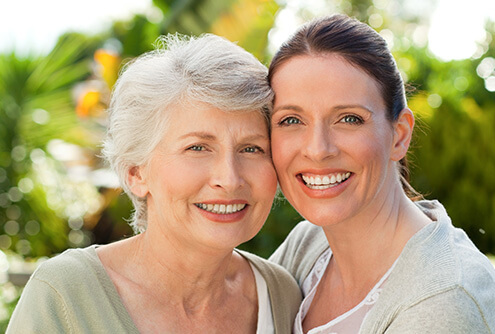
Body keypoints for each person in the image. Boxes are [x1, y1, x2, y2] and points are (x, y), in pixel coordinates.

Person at [7, 34, 301, 333]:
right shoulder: (65, 295)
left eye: (252, 149)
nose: (229, 179)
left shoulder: (281, 296)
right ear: (136, 172)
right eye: (197, 148)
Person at [268, 14, 495, 333]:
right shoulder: (309, 243)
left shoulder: (442, 304)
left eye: (348, 119)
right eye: (291, 120)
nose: (318, 149)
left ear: (399, 135)